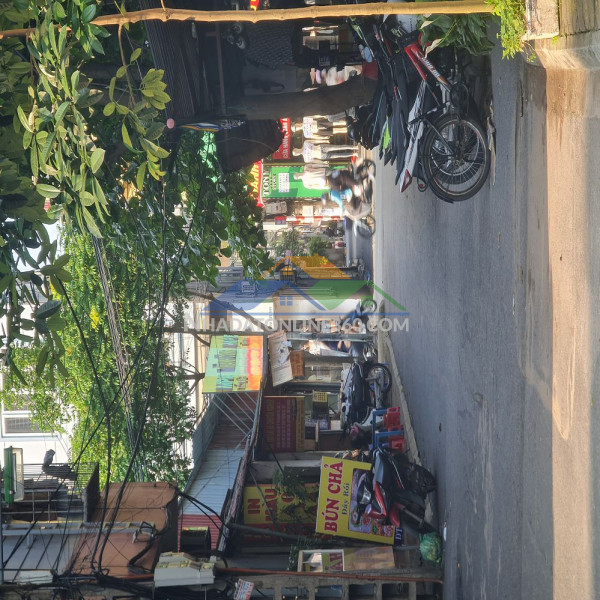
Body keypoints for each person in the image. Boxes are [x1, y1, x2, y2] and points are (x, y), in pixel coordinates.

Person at [292, 140, 357, 162]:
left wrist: (324, 140)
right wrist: (322, 163)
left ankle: (353, 147)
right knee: (338, 155)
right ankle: (353, 154)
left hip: (321, 148)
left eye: (295, 151)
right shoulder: (306, 159)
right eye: (296, 153)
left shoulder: (305, 143)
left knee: (337, 147)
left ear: (296, 148)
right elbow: (315, 161)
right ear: (297, 155)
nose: (297, 152)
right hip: (322, 156)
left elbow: (314, 141)